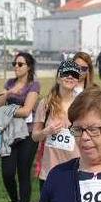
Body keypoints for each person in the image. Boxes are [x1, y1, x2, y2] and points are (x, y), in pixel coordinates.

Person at [0, 52, 40, 202]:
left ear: (28, 67)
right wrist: (8, 94)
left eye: (20, 64)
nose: (16, 66)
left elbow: (27, 110)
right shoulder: (9, 84)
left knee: (23, 172)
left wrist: (6, 110)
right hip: (9, 134)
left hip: (27, 135)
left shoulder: (33, 85)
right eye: (15, 63)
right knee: (7, 172)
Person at [31, 60, 81, 191]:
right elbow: (35, 137)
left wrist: (73, 130)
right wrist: (47, 131)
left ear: (77, 80)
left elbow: (87, 134)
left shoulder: (82, 104)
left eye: (74, 74)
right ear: (58, 78)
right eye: (66, 73)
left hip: (75, 170)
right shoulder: (46, 103)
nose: (70, 77)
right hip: (49, 171)